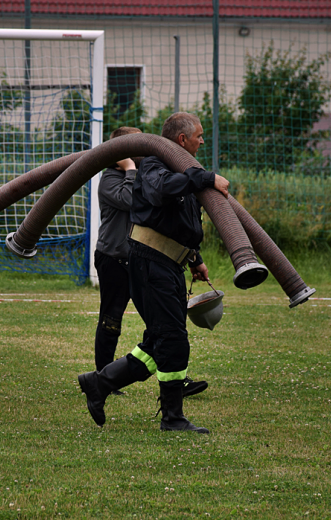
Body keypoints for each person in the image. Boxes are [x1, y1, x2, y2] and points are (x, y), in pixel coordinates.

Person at [79, 112, 230, 433]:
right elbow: (161, 191)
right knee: (172, 339)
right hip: (150, 262)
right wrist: (203, 179)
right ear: (181, 139)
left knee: (158, 339)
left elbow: (178, 224)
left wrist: (194, 258)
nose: (203, 140)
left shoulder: (181, 169)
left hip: (169, 263)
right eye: (199, 135)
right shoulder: (153, 165)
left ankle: (99, 382)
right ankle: (172, 418)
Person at [93, 126, 208, 398]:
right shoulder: (110, 179)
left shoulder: (151, 175)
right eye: (138, 144)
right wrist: (131, 168)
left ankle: (173, 380)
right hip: (113, 259)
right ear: (122, 151)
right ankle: (102, 376)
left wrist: (194, 257)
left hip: (140, 260)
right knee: (111, 320)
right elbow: (128, 199)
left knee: (163, 328)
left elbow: (171, 222)